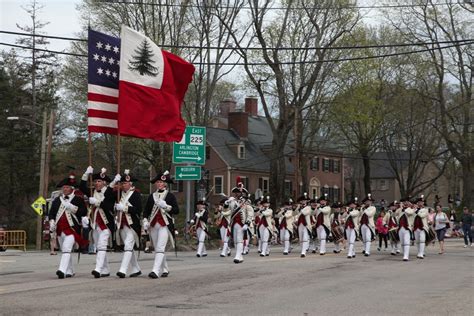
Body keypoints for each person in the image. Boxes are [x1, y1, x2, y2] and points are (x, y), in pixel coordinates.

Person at [80, 166, 118, 278]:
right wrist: (86, 174)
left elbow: (109, 207)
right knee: (99, 246)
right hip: (95, 224)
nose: (97, 183)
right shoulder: (92, 192)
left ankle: (98, 268)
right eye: (95, 181)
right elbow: (82, 187)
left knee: (101, 246)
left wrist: (97, 202)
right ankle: (105, 269)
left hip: (106, 224)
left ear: (104, 183)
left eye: (99, 181)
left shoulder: (110, 193)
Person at [49, 173, 88, 279]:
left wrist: (71, 207)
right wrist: (52, 221)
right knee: (65, 250)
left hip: (72, 229)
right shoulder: (57, 200)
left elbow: (83, 212)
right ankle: (70, 270)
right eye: (63, 187)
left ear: (72, 188)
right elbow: (51, 212)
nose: (65, 189)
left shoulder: (78, 200)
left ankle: (61, 270)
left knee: (66, 249)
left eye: (67, 187)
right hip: (60, 230)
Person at [143, 171, 179, 278]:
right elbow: (146, 211)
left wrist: (166, 206)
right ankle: (165, 269)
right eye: (157, 182)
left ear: (165, 184)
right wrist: (145, 220)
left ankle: (155, 270)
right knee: (158, 248)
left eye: (161, 182)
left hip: (165, 225)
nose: (159, 184)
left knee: (160, 247)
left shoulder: (170, 196)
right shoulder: (152, 196)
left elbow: (176, 210)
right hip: (154, 225)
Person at [115, 170, 142, 278]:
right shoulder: (118, 194)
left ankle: (123, 269)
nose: (123, 185)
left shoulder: (135, 194)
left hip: (132, 224)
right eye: (122, 183)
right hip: (122, 223)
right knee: (128, 247)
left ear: (130, 184)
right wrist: (114, 181)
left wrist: (125, 208)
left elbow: (138, 209)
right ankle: (136, 268)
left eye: (125, 183)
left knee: (128, 245)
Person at [227, 178, 251, 264]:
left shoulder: (246, 202)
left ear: (242, 193)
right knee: (236, 240)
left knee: (240, 239)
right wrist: (226, 203)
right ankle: (240, 256)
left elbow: (250, 213)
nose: (237, 194)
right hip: (234, 223)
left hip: (242, 223)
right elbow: (228, 209)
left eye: (238, 192)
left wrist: (247, 223)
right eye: (235, 192)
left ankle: (237, 256)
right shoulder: (233, 201)